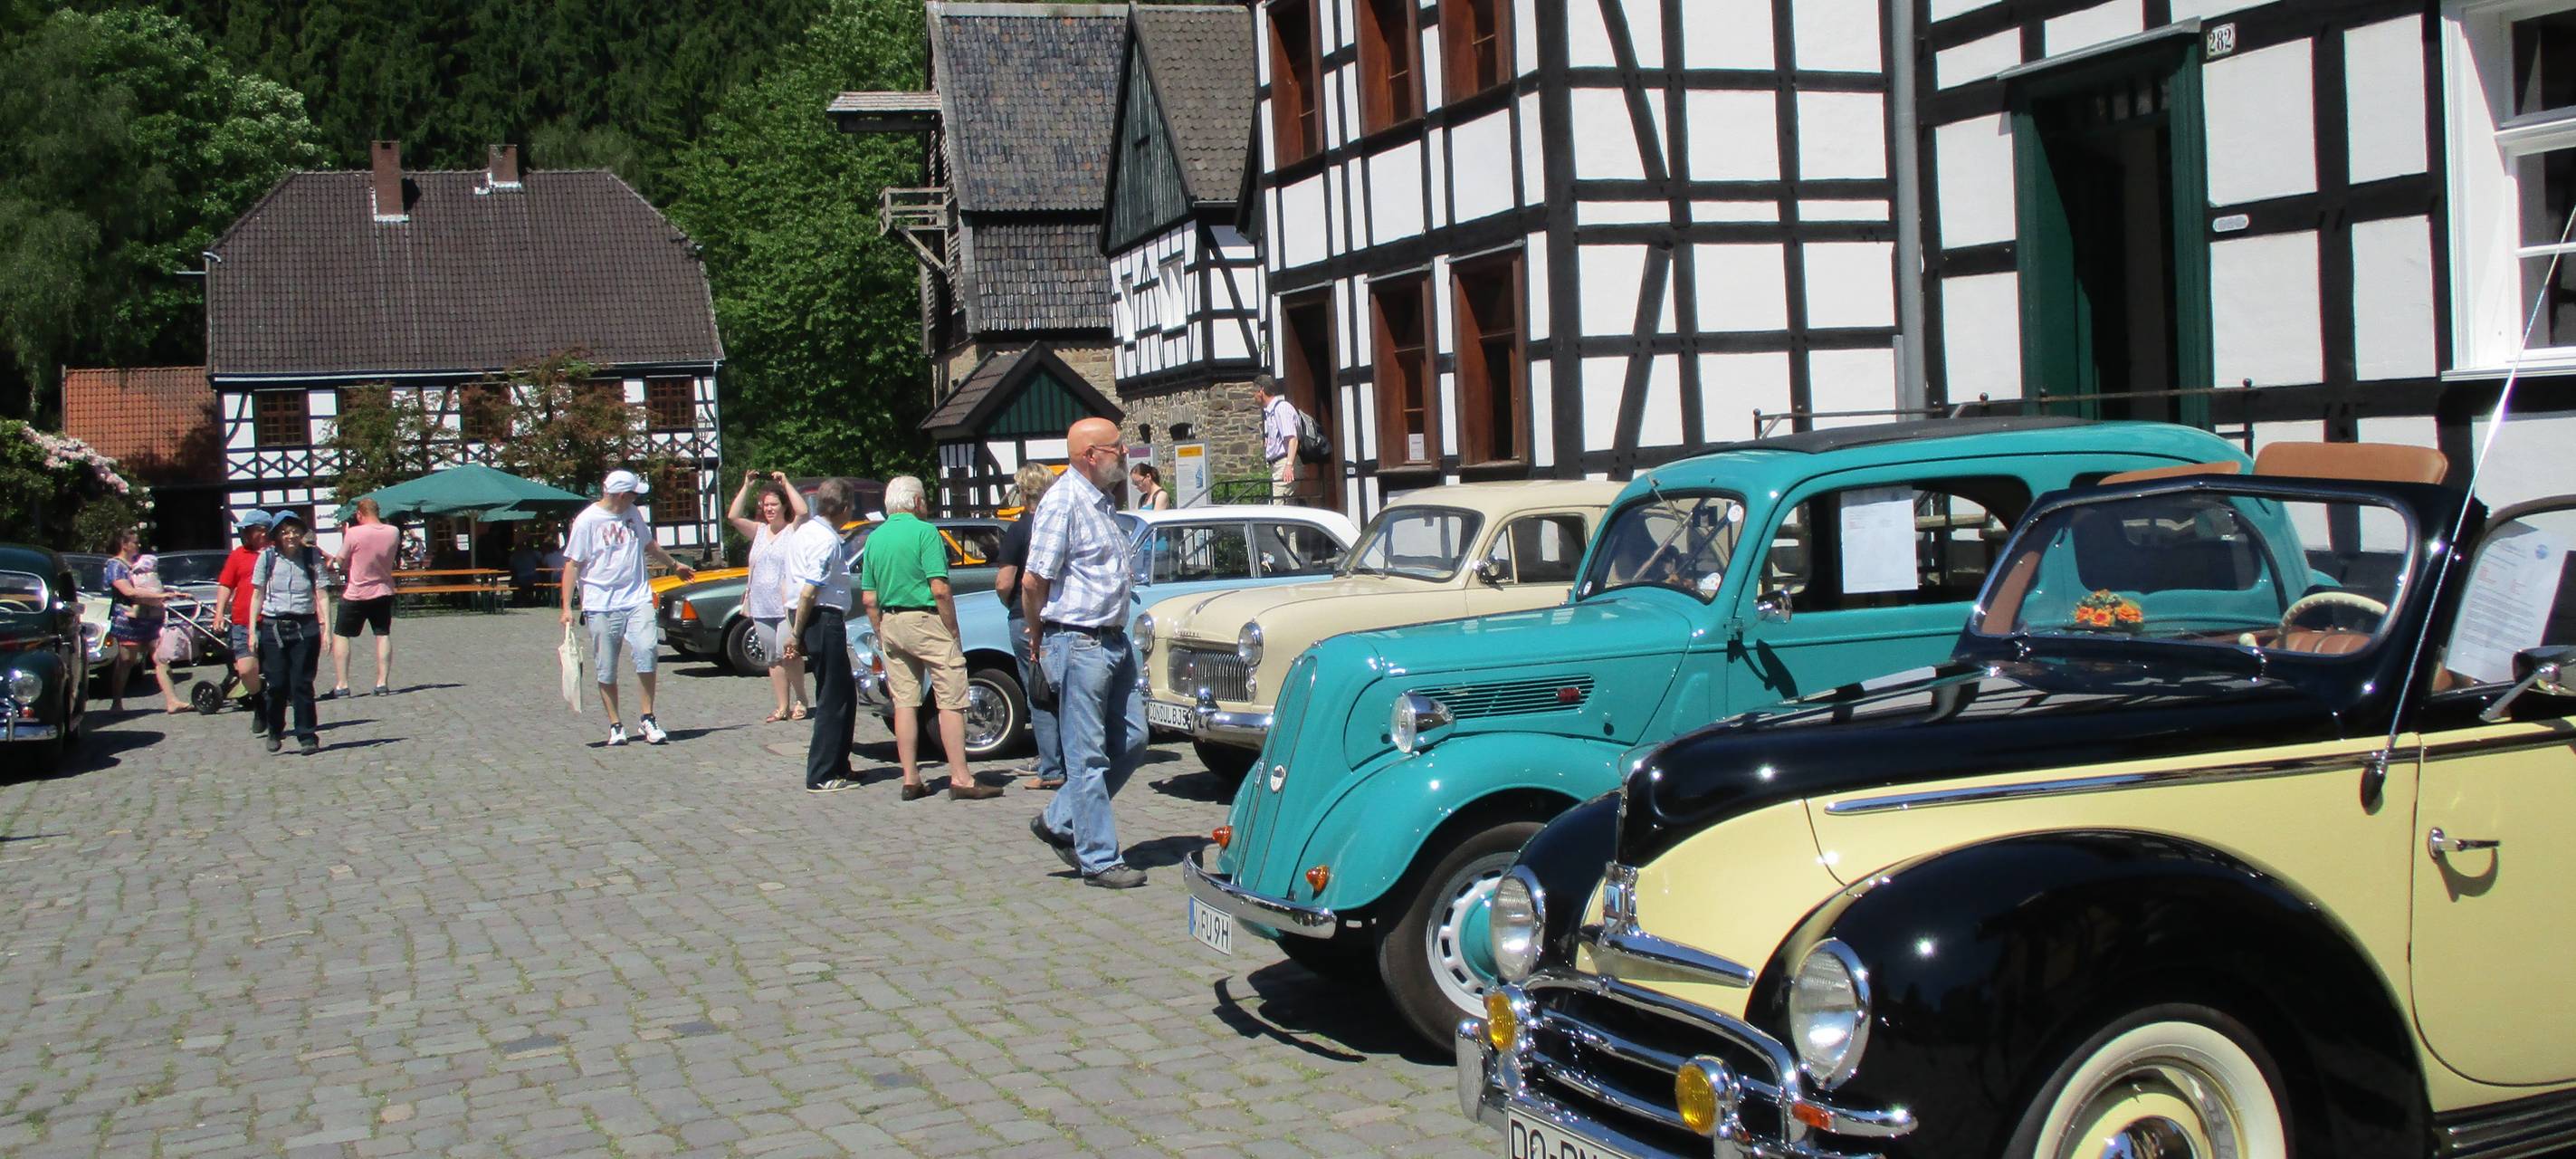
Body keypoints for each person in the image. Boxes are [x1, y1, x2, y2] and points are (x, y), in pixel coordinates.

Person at [1022, 417, 1150, 888]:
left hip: (1113, 640)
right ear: (1089, 455)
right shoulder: (1064, 502)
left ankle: (1059, 819)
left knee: (1134, 739)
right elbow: (1033, 580)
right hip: (1077, 641)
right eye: (1118, 448)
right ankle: (1098, 859)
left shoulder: (1102, 503)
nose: (1126, 454)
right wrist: (1038, 638)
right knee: (1086, 755)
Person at [855, 475, 1003, 801]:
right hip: (925, 618)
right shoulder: (926, 533)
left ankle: (910, 777)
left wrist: (880, 629)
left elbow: (868, 597)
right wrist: (952, 630)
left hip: (891, 620)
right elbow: (940, 588)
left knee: (904, 701)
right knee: (951, 698)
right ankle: (961, 777)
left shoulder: (875, 539)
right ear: (918, 502)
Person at [560, 468, 697, 746]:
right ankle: (615, 724)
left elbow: (649, 544)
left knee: (647, 650)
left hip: (636, 598)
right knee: (606, 666)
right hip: (601, 603)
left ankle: (647, 717)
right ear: (622, 494)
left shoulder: (632, 513)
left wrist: (674, 565)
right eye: (635, 493)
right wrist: (566, 608)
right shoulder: (588, 521)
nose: (638, 497)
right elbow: (572, 564)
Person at [778, 479, 866, 793]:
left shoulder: (806, 531)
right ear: (844, 508)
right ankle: (822, 772)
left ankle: (840, 762)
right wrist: (796, 634)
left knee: (844, 692)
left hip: (816, 616)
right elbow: (808, 591)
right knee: (832, 696)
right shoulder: (825, 542)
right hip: (821, 617)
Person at [991, 464, 1064, 790]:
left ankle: (1051, 768)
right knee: (1065, 694)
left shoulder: (1020, 530)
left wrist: (1011, 603)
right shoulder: (1059, 524)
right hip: (1060, 616)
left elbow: (1005, 581)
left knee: (1039, 695)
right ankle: (1066, 759)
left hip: (1026, 617)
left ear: (1023, 492)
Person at [726, 469, 810, 723]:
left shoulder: (792, 530)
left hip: (784, 605)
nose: (769, 509)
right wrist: (747, 485)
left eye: (774, 504)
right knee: (772, 657)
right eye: (765, 505)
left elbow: (803, 511)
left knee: (789, 654)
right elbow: (732, 516)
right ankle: (782, 705)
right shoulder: (759, 531)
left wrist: (786, 483)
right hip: (761, 604)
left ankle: (802, 699)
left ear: (784, 506)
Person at [251, 512, 334, 753]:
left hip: (305, 624)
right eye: (285, 532)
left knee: (302, 683)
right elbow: (257, 594)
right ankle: (275, 729)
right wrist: (250, 629)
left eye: (295, 531)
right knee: (276, 683)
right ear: (276, 535)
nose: (291, 536)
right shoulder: (267, 558)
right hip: (273, 625)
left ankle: (307, 735)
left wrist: (326, 627)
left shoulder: (311, 556)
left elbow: (322, 594)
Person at [327, 498, 400, 697]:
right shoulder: (393, 532)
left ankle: (342, 684)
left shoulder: (354, 533)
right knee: (382, 634)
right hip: (383, 590)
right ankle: (382, 683)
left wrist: (329, 559)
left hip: (356, 592)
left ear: (360, 514)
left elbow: (339, 561)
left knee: (342, 635)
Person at [102, 528, 172, 713]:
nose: (138, 545)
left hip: (149, 616)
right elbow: (128, 592)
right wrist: (160, 595)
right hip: (128, 619)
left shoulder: (139, 564)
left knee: (160, 657)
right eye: (135, 542)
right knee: (127, 660)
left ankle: (172, 701)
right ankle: (116, 703)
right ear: (124, 545)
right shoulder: (115, 565)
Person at [215, 512, 272, 732]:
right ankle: (259, 702)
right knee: (246, 669)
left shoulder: (276, 553)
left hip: (271, 619)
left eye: (250, 529)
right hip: (242, 621)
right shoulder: (238, 554)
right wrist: (219, 612)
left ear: (263, 531)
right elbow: (226, 584)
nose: (245, 533)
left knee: (275, 670)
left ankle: (274, 709)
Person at [1255, 375, 1300, 503]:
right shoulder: (1270, 412)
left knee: (1277, 508)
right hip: (1277, 466)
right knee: (1286, 509)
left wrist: (1289, 465)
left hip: (1284, 463)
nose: (1253, 396)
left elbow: (1292, 439)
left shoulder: (1281, 408)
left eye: (1254, 392)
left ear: (1261, 391)